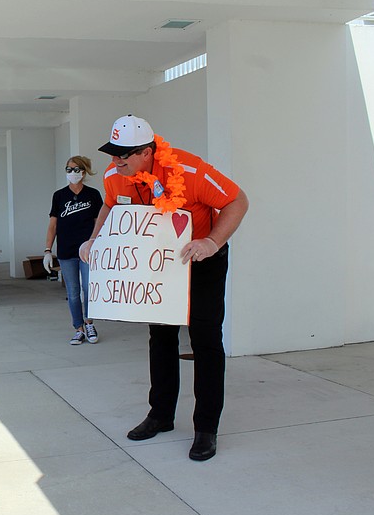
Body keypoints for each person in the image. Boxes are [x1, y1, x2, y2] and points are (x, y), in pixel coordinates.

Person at [80, 114, 248, 461]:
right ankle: (160, 415)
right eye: (112, 153)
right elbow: (111, 207)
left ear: (147, 152)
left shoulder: (191, 171)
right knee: (161, 337)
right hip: (156, 265)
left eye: (123, 154)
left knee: (205, 340)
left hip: (202, 259)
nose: (115, 161)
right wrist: (95, 240)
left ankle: (206, 428)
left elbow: (237, 201)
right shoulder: (115, 177)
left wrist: (213, 242)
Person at [43, 156, 103, 345]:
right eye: (68, 169)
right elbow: (53, 225)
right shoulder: (59, 196)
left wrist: (98, 244)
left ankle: (89, 323)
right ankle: (78, 329)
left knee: (88, 288)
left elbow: (99, 223)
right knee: (73, 291)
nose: (72, 173)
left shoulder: (93, 195)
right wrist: (47, 250)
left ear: (84, 171)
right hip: (66, 251)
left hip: (87, 250)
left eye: (76, 169)